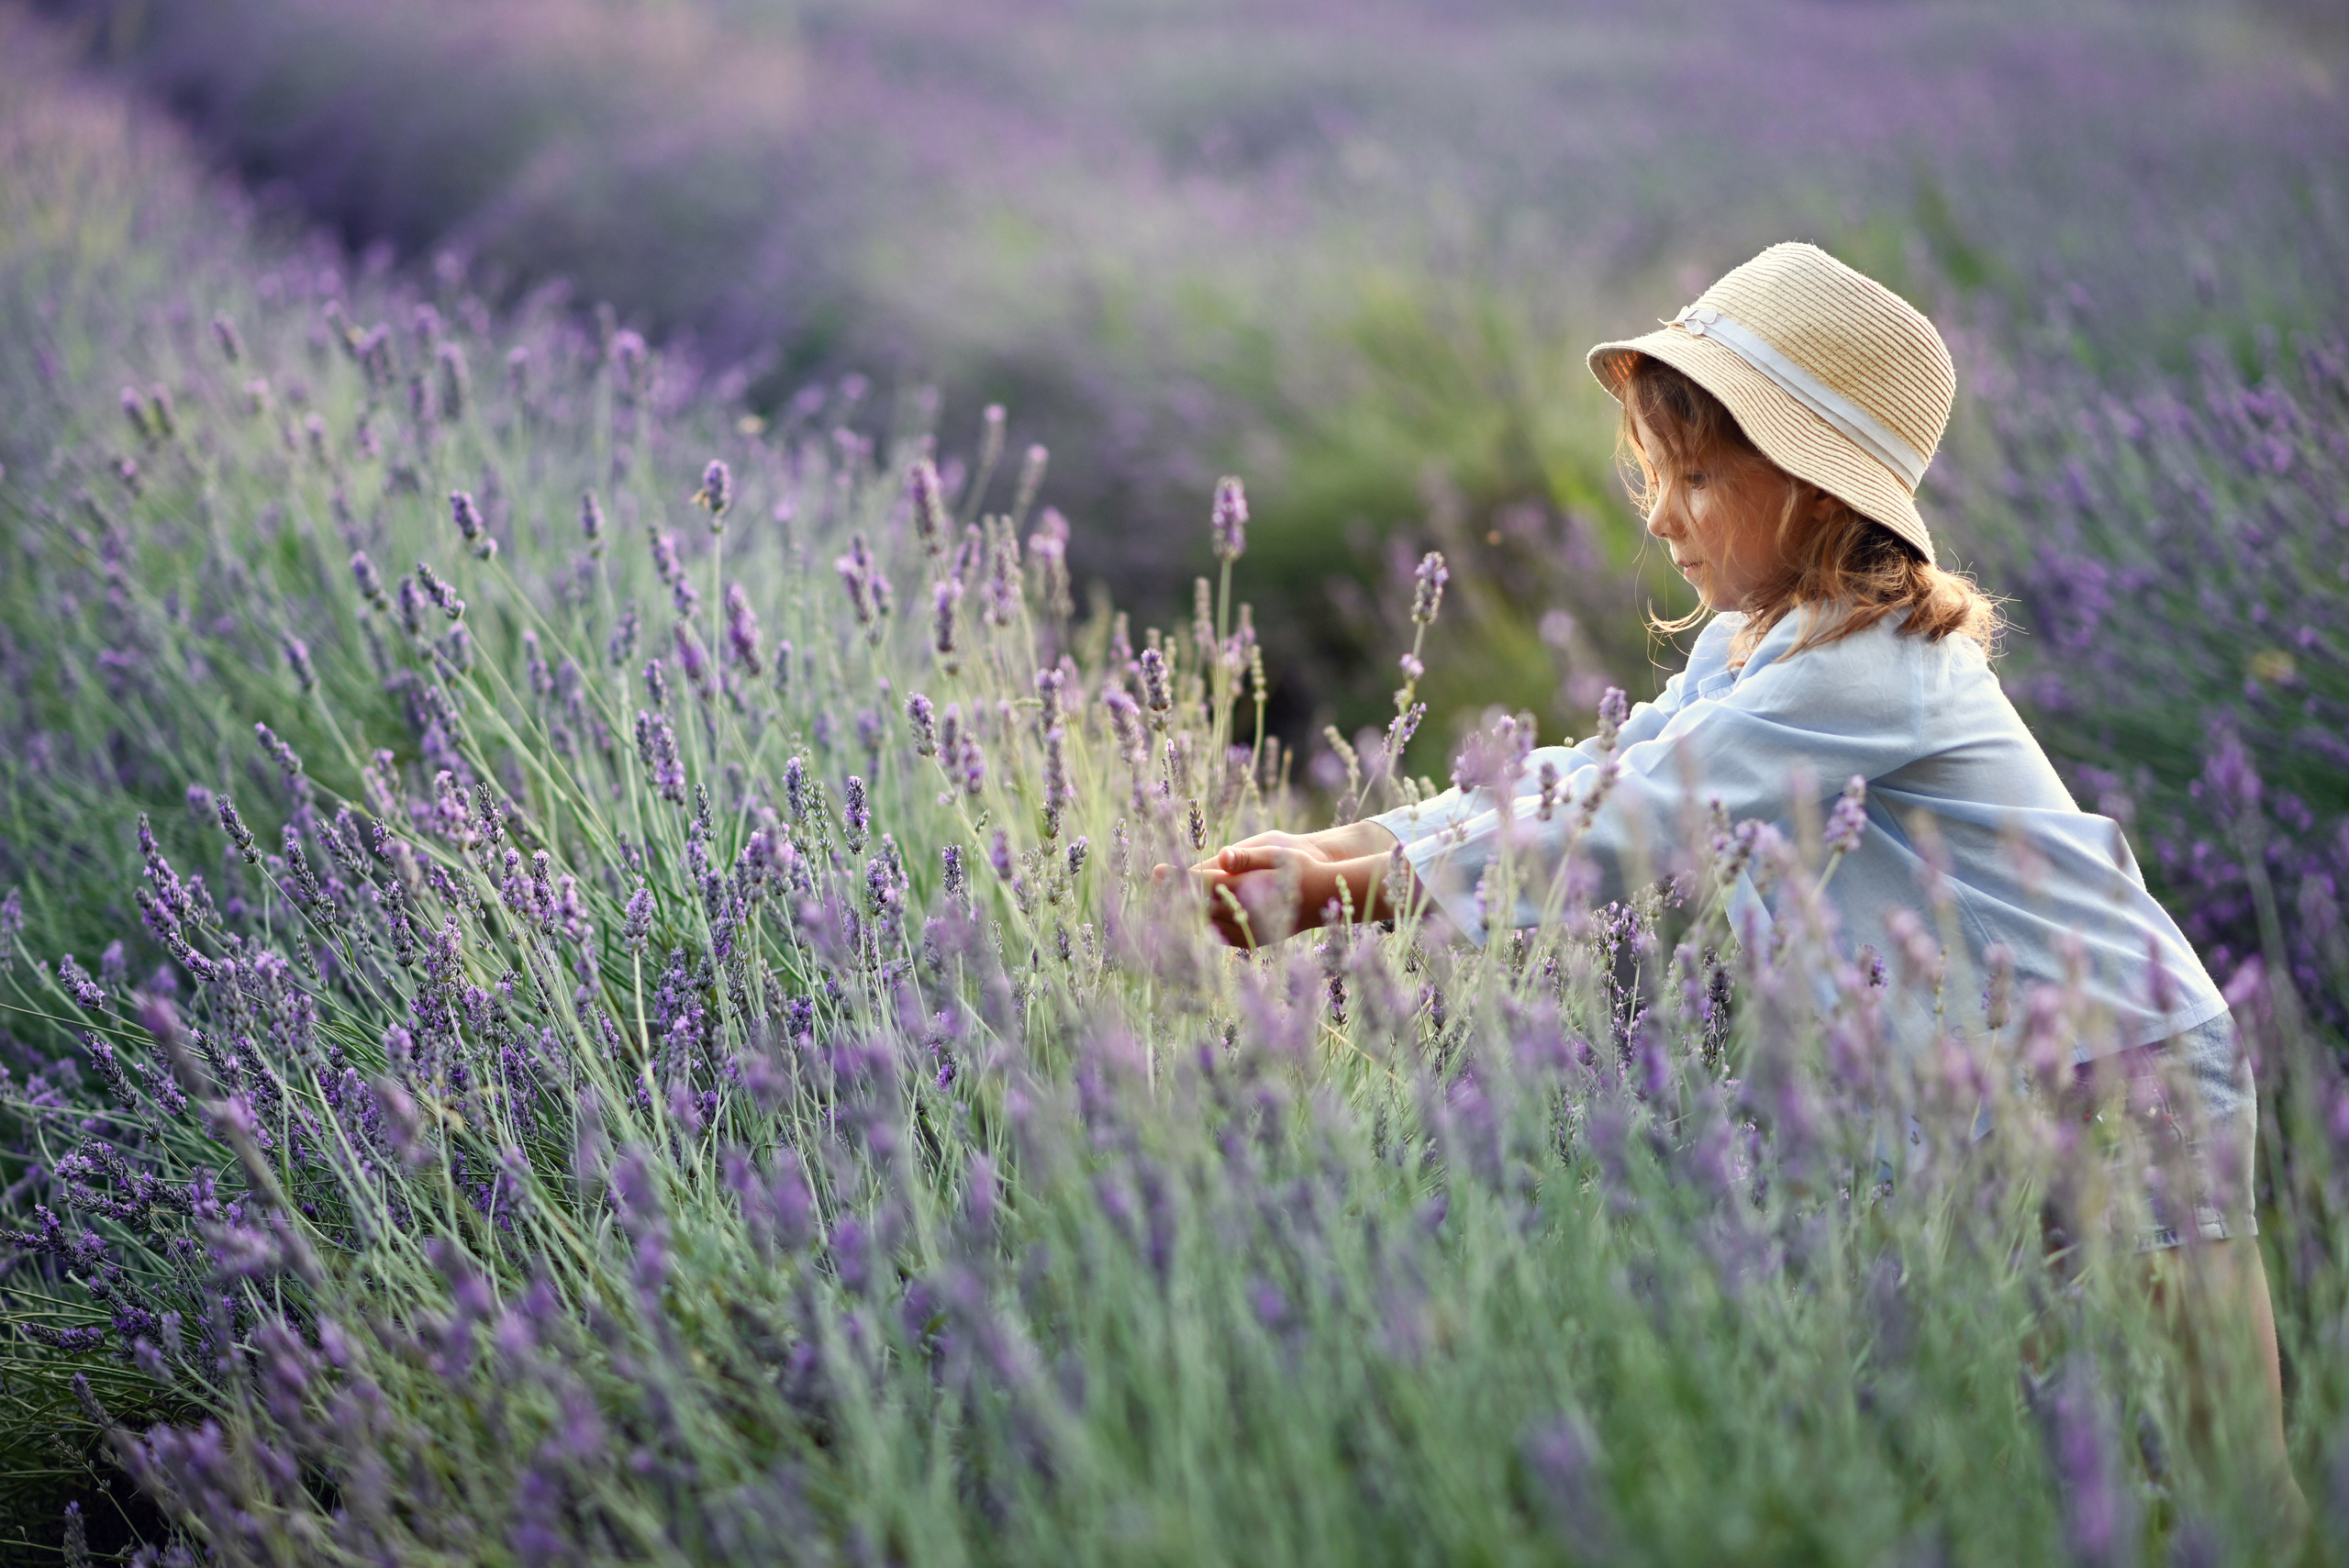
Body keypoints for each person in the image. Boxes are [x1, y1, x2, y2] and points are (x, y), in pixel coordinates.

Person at [1184, 241, 2299, 1507]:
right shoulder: (1761, 642)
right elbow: (1601, 764)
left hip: (2121, 1065)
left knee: (2227, 1480)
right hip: (1970, 1086)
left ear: (1821, 495)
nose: (1658, 514)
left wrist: (1355, 895)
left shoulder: (1870, 670)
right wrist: (1359, 843)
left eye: (1697, 477)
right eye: (1659, 474)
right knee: (2046, 1471)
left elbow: (1632, 818)